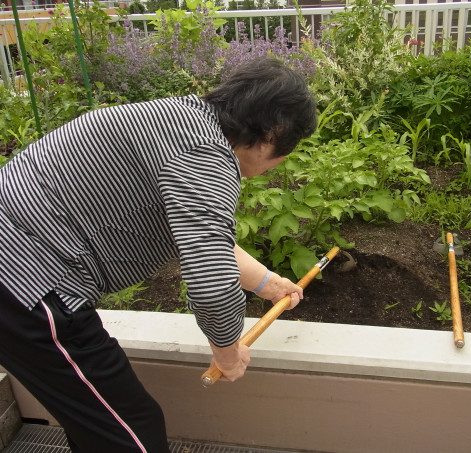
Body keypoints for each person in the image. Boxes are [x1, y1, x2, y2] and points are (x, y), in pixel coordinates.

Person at [0, 56, 317, 453]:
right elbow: (212, 281)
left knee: (96, 420)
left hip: (16, 268)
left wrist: (270, 285)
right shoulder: (205, 154)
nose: (283, 161)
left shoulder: (177, 121)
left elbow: (209, 242)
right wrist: (228, 351)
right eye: (289, 148)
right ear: (273, 132)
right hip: (28, 279)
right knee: (130, 433)